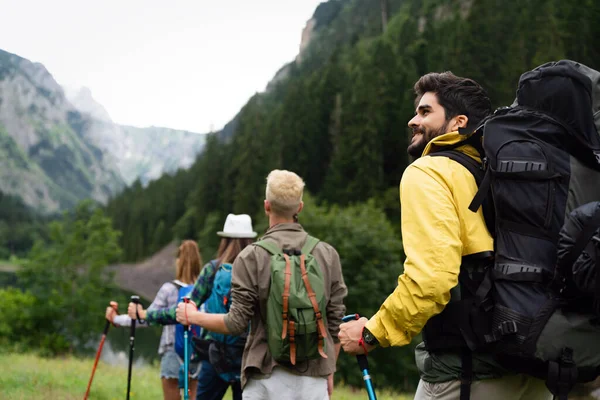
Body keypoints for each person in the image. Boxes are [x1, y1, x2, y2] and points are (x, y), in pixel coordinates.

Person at [338, 72, 553, 400]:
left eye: (425, 112)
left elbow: (432, 279)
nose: (413, 120)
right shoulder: (508, 175)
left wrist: (371, 333)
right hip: (535, 365)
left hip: (466, 372)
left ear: (458, 122)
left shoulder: (428, 172)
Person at [174, 169, 348, 400]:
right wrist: (330, 370)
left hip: (264, 377)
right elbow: (335, 322)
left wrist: (193, 317)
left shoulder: (250, 257)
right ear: (300, 207)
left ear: (267, 206)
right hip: (313, 378)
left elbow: (236, 322)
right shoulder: (327, 254)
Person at [129, 213, 256, 400]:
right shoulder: (258, 270)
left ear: (224, 240)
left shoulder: (213, 270)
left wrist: (145, 314)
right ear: (250, 239)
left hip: (215, 359)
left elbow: (181, 310)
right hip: (249, 359)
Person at [105, 239, 202, 400]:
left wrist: (116, 319)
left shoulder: (169, 289)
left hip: (173, 353)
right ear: (198, 262)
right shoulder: (203, 290)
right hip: (198, 354)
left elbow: (145, 318)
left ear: (179, 261)